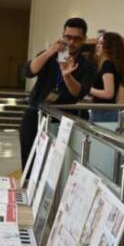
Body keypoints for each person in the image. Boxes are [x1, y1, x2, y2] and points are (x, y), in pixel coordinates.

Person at [18, 17, 97, 166]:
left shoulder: (87, 65)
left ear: (84, 39)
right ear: (62, 35)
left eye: (77, 39)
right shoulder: (49, 55)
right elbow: (28, 72)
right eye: (68, 37)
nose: (71, 42)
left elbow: (78, 93)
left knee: (56, 166)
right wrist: (50, 51)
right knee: (30, 162)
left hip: (64, 119)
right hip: (36, 114)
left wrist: (67, 75)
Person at [88, 31, 124, 123]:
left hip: (103, 112)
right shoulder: (113, 65)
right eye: (98, 43)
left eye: (101, 43)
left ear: (110, 47)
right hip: (108, 111)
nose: (97, 46)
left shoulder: (107, 65)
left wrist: (88, 89)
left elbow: (108, 93)